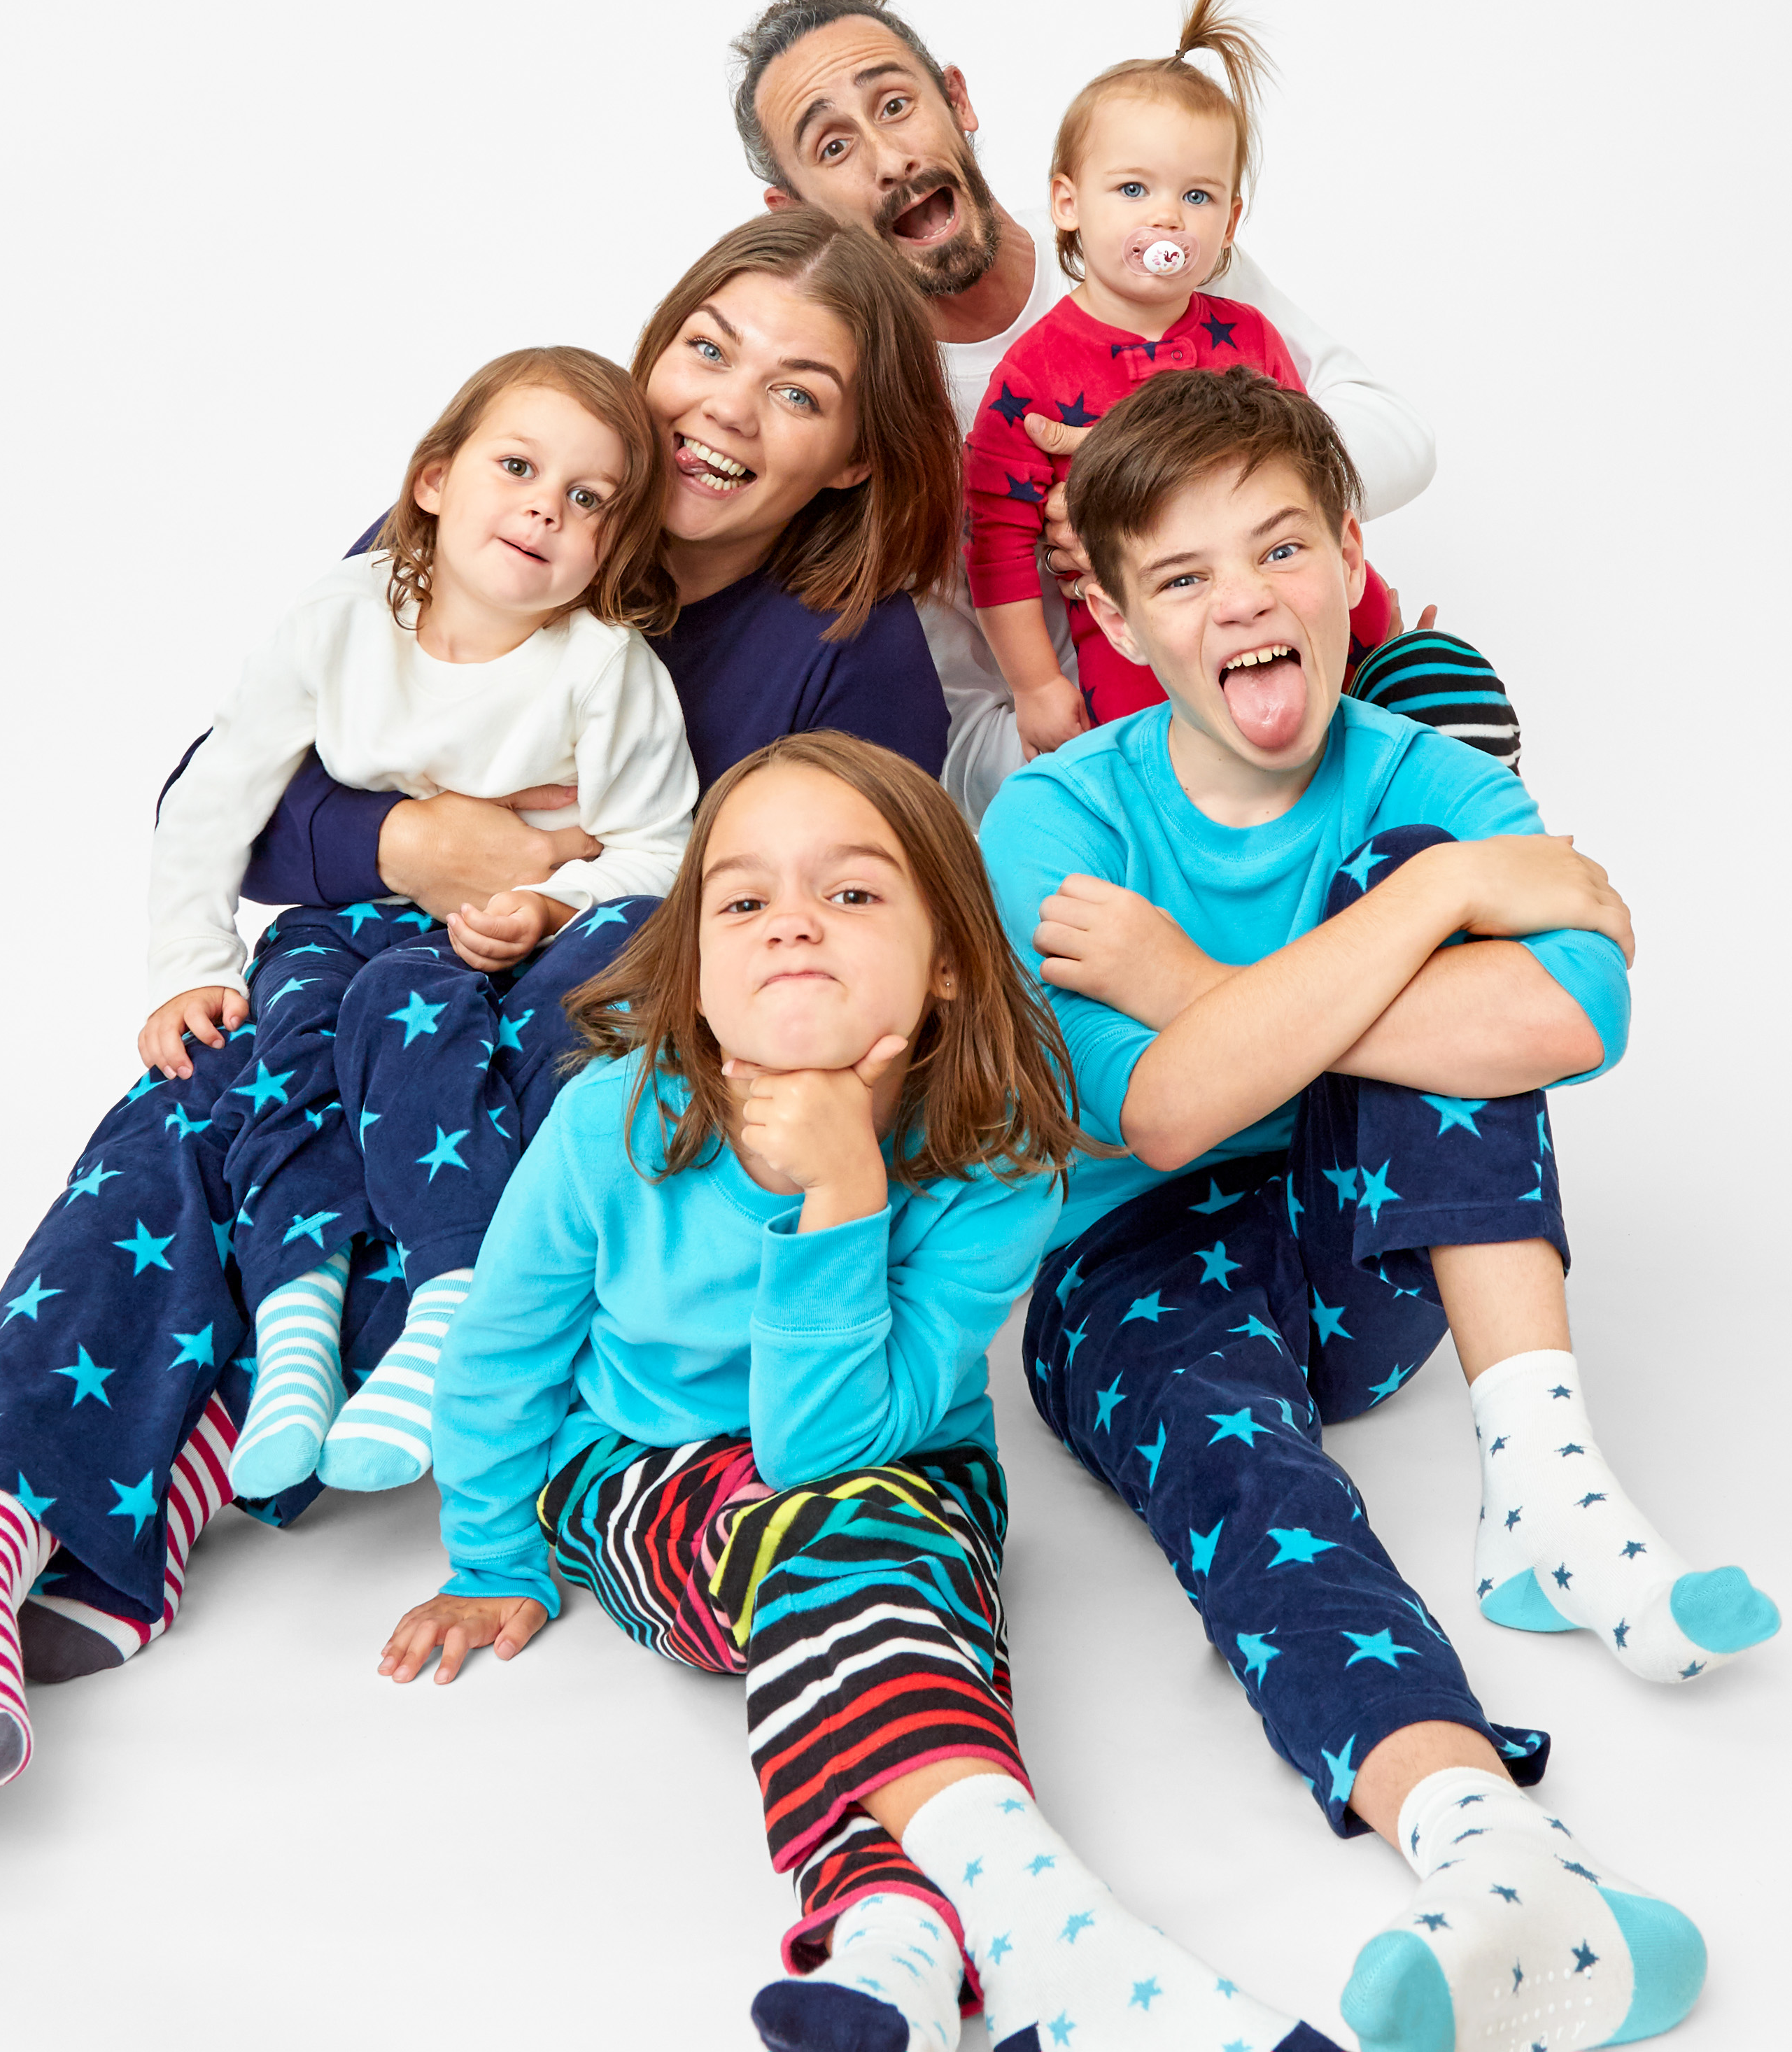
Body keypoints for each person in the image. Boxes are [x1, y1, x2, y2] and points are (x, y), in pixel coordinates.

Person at [0, 213, 961, 1809]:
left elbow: (829, 944)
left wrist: (557, 899)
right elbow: (222, 790)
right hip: (374, 972)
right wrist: (410, 840)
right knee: (204, 1080)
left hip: (613, 1044)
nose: (726, 406)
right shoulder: (491, 515)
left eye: (797, 392)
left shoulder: (847, 663)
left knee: (426, 1067)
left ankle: (163, 1468)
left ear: (855, 459)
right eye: (708, 350)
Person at [980, 367, 1772, 2051]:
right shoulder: (1056, 815)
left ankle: (1545, 1480)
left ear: (1350, 555)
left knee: (1387, 879)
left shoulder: (1420, 781)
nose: (1241, 598)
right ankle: (1487, 1842)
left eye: (1277, 546)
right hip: (1130, 1261)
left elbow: (1573, 1022)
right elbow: (1160, 1107)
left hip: (1367, 1243)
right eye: (1181, 576)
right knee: (1259, 1495)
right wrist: (1446, 908)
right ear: (1115, 616)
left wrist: (1210, 970)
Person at [382, 733, 1349, 2052]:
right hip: (637, 1469)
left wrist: (847, 1184)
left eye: (850, 894)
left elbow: (830, 1442)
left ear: (946, 963)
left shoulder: (1001, 1157)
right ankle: (1049, 1921)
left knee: (858, 1563)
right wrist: (491, 1551)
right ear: (696, 970)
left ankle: (889, 1935)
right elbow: (502, 1351)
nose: (792, 926)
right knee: (824, 1546)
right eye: (743, 900)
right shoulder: (612, 1122)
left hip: (894, 1468)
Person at [728, 0, 1518, 814]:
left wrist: (1171, 482)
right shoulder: (864, 414)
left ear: (956, 100)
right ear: (793, 209)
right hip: (1132, 767)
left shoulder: (1141, 240)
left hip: (1309, 676)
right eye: (833, 145)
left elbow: (1397, 438)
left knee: (1450, 710)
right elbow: (961, 724)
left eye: (895, 104)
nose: (887, 159)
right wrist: (1131, 768)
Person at [140, 345, 695, 1508]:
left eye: (588, 499)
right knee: (285, 1050)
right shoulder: (341, 617)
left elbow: (662, 848)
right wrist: (188, 964)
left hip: (486, 943)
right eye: (517, 466)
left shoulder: (602, 669)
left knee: (413, 1016)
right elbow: (220, 791)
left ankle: (445, 1306)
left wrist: (546, 905)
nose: (546, 505)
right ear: (435, 481)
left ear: (612, 545)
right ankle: (297, 1330)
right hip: (335, 918)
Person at [962, 0, 1397, 756]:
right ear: (1067, 203)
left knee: (1341, 713)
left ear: (1229, 221)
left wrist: (1368, 609)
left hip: (1268, 614)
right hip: (1136, 641)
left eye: (1196, 197)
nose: (1166, 215)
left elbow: (1313, 483)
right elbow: (994, 539)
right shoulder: (1034, 374)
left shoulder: (1249, 336)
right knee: (1159, 767)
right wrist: (1033, 684)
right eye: (1132, 188)